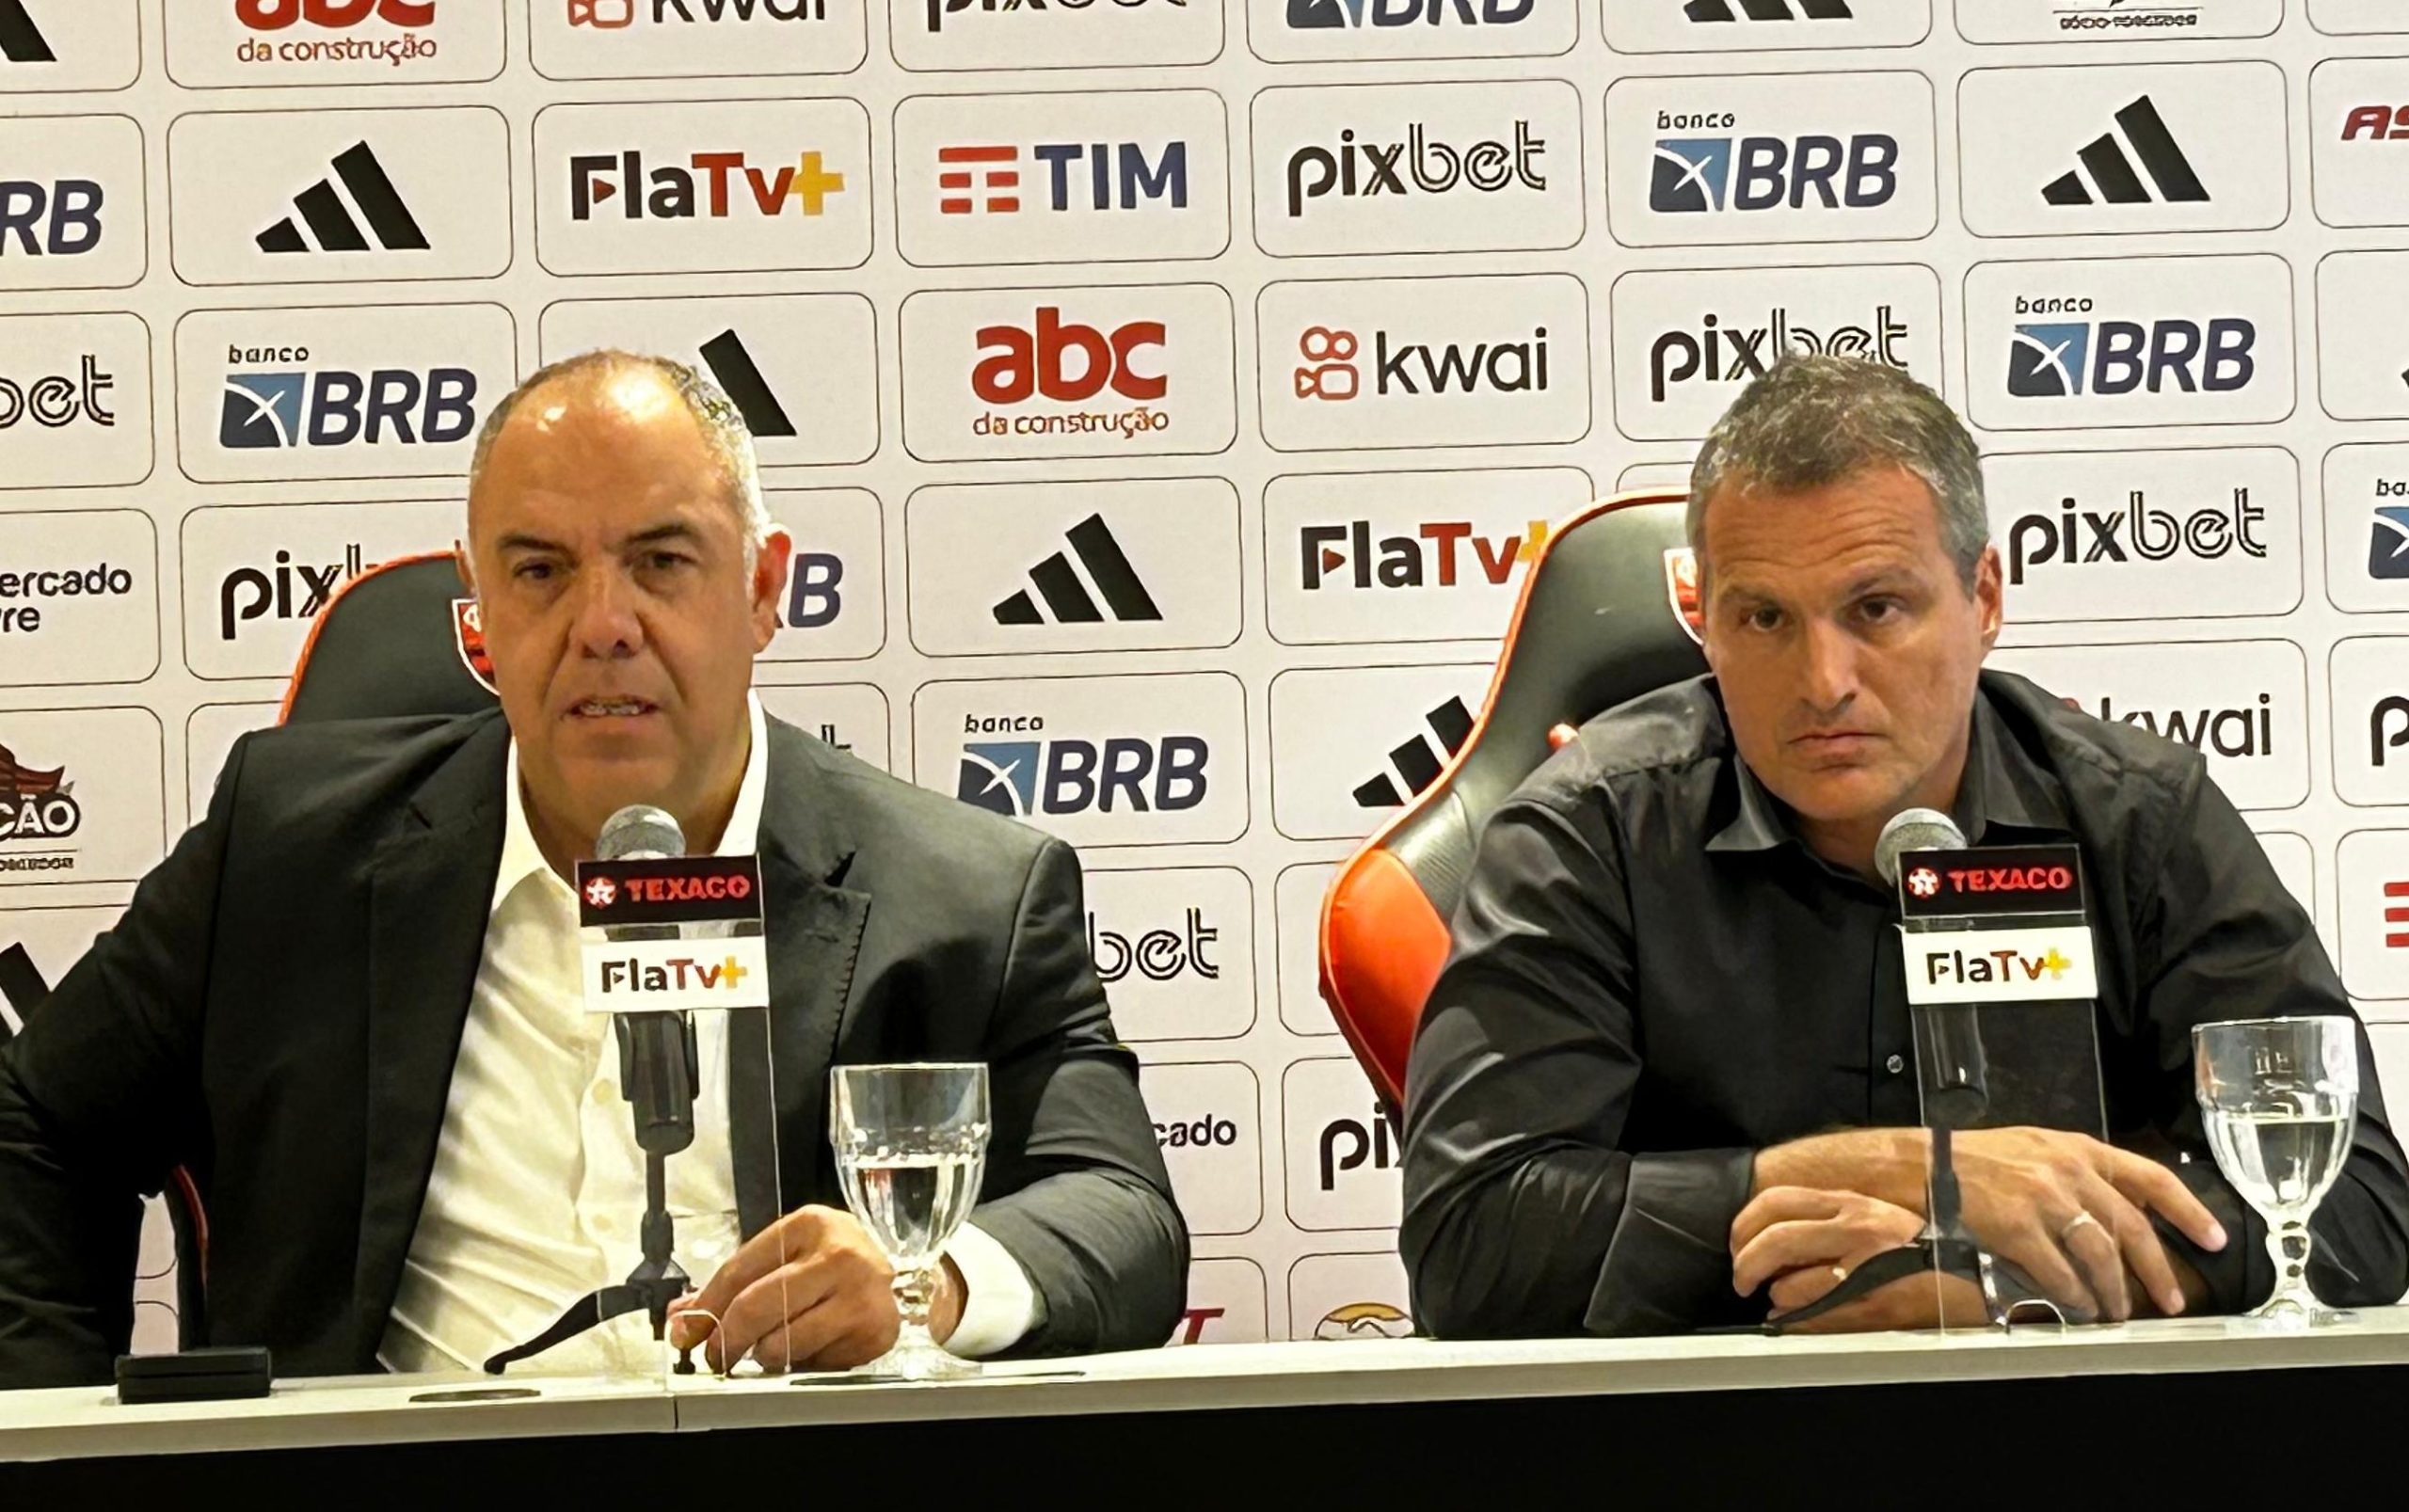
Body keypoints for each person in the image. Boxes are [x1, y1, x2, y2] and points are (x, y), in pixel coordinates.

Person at [0, 352, 1186, 1387]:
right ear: (479, 622)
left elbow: (1120, 1210)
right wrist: (54, 1425)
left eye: (662, 561)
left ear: (765, 588)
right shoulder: (288, 854)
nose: (602, 622)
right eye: (539, 571)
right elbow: (36, 1118)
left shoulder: (971, 892)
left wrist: (929, 1285)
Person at [1399, 355, 2409, 1336]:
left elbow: (2354, 1206)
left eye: (1875, 608)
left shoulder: (2139, 819)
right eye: (1763, 617)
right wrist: (1909, 1174)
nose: (1822, 678)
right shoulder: (1588, 834)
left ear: (1984, 598)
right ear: (1700, 618)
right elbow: (1471, 1242)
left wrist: (1999, 1282)